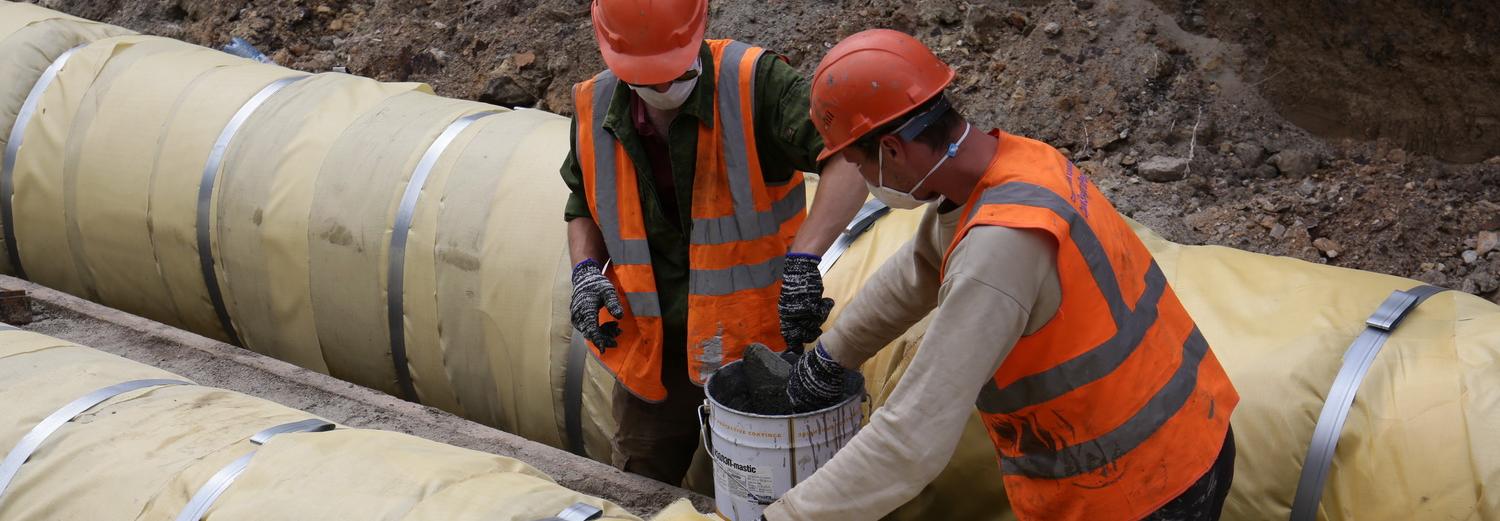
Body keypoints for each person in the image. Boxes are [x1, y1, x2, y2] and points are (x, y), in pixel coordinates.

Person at [769, 29, 1240, 520]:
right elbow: (921, 268)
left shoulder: (1000, 248)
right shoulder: (1018, 162)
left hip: (1138, 486)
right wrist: (829, 359)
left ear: (891, 149)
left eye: (856, 163)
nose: (863, 180)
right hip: (1184, 425)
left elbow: (910, 440)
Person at [561, 0, 867, 491]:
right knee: (640, 487)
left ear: (698, 29)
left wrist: (806, 259)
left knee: (766, 491)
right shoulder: (593, 105)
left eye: (673, 70)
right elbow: (582, 202)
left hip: (757, 350)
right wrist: (585, 273)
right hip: (655, 354)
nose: (663, 86)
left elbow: (852, 158)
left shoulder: (754, 84)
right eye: (648, 76)